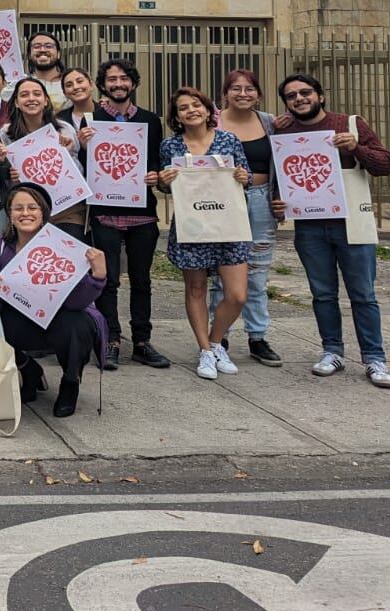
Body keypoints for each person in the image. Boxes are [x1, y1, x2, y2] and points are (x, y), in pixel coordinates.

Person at [271, 73, 390, 389]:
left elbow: (384, 165)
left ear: (320, 96)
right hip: (310, 228)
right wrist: (278, 200)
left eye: (305, 92)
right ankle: (332, 351)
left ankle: (374, 358)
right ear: (285, 103)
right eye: (291, 96)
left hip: (351, 224)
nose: (299, 99)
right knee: (323, 294)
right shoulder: (284, 132)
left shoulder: (349, 124)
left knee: (363, 294)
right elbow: (280, 175)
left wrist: (356, 147)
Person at [0, 182, 107, 418]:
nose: (25, 213)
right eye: (18, 208)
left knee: (78, 324)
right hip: (17, 318)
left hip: (60, 317)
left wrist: (98, 277)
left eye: (32, 207)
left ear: (43, 212)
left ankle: (71, 382)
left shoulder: (65, 247)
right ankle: (28, 368)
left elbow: (77, 302)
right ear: (9, 213)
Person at [157, 86, 252, 381]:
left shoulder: (228, 140)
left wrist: (243, 176)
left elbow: (246, 176)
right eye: (183, 108)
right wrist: (163, 180)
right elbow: (165, 186)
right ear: (177, 117)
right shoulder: (170, 146)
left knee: (237, 295)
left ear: (208, 109)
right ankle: (205, 351)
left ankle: (215, 341)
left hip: (228, 225)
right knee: (195, 290)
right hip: (193, 225)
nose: (191, 111)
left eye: (196, 105)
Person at [85, 59, 169, 371]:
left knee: (141, 279)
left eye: (123, 78)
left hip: (142, 212)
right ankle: (111, 339)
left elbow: (156, 159)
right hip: (104, 212)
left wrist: (155, 175)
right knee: (107, 281)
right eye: (111, 79)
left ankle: (142, 341)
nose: (118, 84)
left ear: (133, 83)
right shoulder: (91, 121)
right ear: (102, 85)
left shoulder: (150, 120)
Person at [211, 69, 282, 366]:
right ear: (225, 94)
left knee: (257, 272)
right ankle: (219, 335)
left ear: (259, 94)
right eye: (236, 88)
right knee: (221, 271)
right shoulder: (212, 121)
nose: (243, 94)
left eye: (249, 88)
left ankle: (257, 336)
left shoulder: (270, 123)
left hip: (261, 200)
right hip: (223, 202)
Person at [0, 76, 83, 238]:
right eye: (24, 95)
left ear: (46, 101)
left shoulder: (64, 129)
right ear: (16, 102)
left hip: (67, 209)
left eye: (37, 94)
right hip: (29, 211)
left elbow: (79, 173)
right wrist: (12, 175)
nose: (31, 98)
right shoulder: (6, 133)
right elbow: (9, 177)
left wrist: (67, 155)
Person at [16, 32, 69, 113]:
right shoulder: (21, 84)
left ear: (58, 54)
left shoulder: (70, 83)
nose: (42, 50)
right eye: (37, 46)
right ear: (29, 55)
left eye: (49, 46)